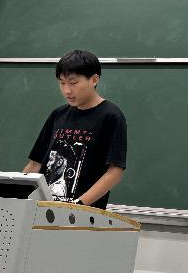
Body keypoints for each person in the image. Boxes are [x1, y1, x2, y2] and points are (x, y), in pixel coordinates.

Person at [22, 50, 126, 209]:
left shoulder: (111, 116)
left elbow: (115, 171)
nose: (67, 90)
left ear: (94, 79)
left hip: (81, 214)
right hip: (42, 208)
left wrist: (77, 205)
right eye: (62, 83)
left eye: (73, 83)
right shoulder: (58, 115)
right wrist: (17, 196)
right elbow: (35, 164)